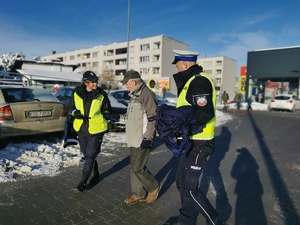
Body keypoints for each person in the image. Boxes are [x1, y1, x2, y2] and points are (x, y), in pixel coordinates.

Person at [157, 49, 225, 225]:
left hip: (199, 143)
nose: (177, 69)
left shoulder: (199, 82)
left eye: (178, 65)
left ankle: (215, 221)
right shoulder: (189, 82)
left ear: (185, 64)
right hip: (190, 142)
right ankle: (185, 220)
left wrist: (180, 121)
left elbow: (205, 113)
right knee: (182, 184)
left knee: (189, 189)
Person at [121, 70, 161, 204]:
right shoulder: (133, 96)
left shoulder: (147, 94)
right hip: (133, 138)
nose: (126, 85)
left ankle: (153, 186)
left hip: (142, 139)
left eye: (126, 82)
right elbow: (133, 117)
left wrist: (148, 137)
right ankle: (138, 194)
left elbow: (153, 118)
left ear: (133, 81)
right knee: (134, 167)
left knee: (138, 167)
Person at [69, 71, 112, 191]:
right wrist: (74, 113)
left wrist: (108, 115)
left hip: (96, 129)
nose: (95, 84)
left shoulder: (101, 95)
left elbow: (107, 109)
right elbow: (71, 108)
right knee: (86, 152)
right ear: (86, 82)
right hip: (82, 128)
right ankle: (96, 171)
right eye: (93, 82)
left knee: (89, 155)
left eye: (96, 81)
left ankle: (83, 180)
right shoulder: (76, 93)